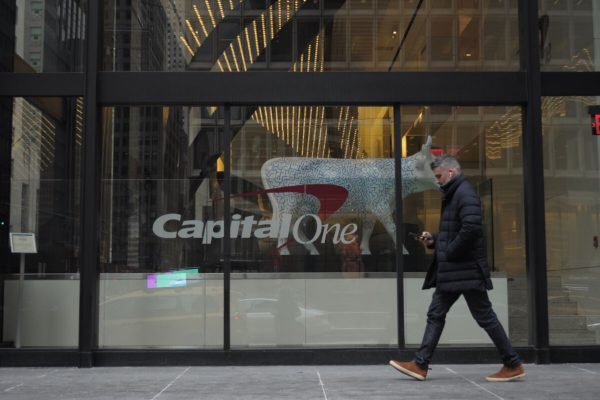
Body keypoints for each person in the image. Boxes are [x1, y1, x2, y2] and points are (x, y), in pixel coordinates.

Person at [389, 155, 525, 382]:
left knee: (484, 316)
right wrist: (433, 238)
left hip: (464, 270)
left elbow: (471, 229)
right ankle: (420, 364)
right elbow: (457, 231)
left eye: (439, 176)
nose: (438, 181)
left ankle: (513, 363)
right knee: (437, 313)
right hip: (456, 270)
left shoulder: (465, 194)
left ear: (451, 172)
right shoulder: (456, 194)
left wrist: (448, 252)